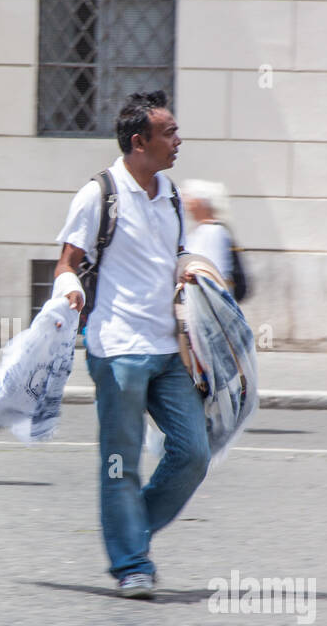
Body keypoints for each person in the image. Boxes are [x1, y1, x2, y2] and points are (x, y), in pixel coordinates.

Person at [52, 90, 212, 599]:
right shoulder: (99, 194)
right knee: (121, 461)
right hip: (116, 348)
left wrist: (194, 272)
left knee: (192, 453)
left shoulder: (169, 193)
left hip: (168, 349)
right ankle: (131, 565)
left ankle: (130, 529)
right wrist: (68, 288)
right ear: (139, 142)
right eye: (169, 133)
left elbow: (176, 255)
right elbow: (67, 262)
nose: (178, 140)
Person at [180, 179, 235, 289]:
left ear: (201, 202)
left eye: (190, 197)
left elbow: (216, 271)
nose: (185, 201)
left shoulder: (213, 231)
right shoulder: (198, 230)